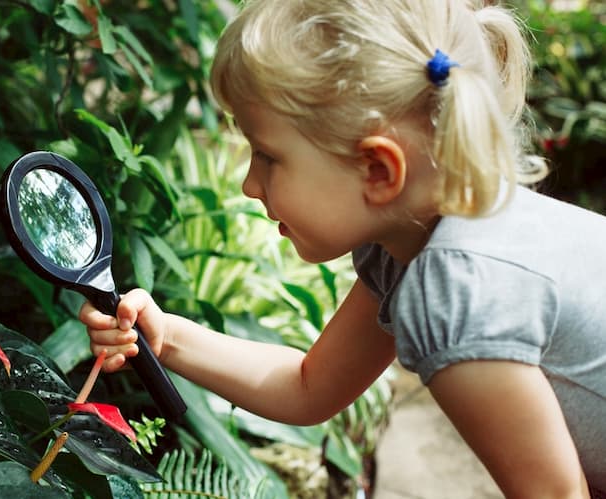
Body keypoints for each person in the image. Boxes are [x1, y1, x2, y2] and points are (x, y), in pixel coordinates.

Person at [78, 0, 606, 496]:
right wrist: (165, 337)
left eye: (267, 157)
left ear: (378, 170)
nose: (248, 185)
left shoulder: (457, 287)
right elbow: (310, 386)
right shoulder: (416, 243)